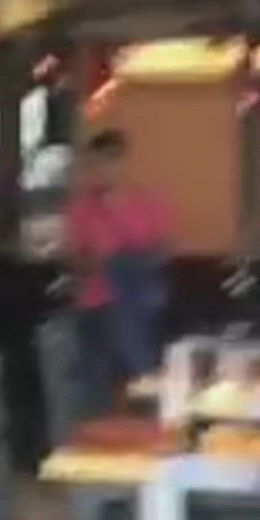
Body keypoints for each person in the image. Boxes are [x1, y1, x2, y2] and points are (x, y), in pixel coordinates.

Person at [65, 130, 173, 402]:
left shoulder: (148, 202)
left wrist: (120, 221)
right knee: (99, 392)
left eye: (107, 162)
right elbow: (76, 265)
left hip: (141, 306)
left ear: (122, 163)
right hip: (97, 307)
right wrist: (98, 259)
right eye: (93, 164)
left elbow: (163, 252)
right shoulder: (81, 209)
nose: (100, 171)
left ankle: (144, 384)